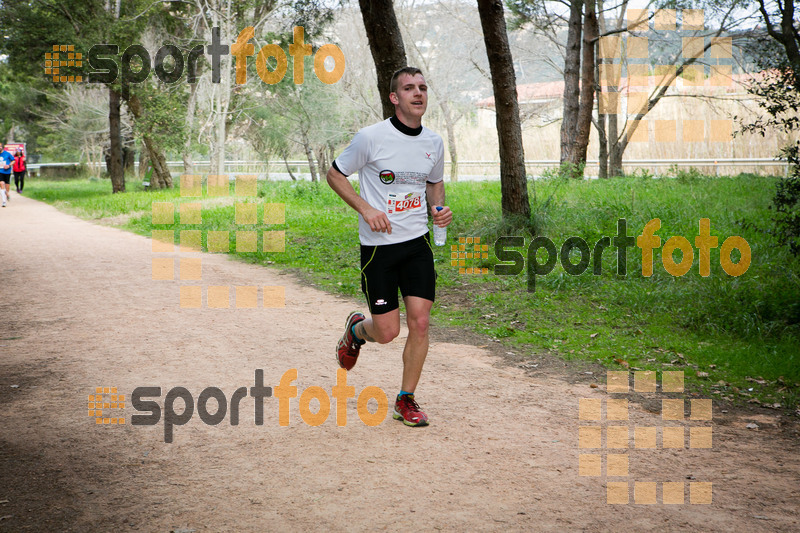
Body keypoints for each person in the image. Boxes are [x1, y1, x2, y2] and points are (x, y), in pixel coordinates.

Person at [326, 66, 453, 427]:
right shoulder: (371, 138)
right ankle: (355, 331)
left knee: (421, 322)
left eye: (423, 87)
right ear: (394, 98)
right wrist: (366, 209)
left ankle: (405, 399)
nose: (418, 93)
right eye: (410, 88)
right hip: (379, 248)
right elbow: (335, 174)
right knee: (387, 332)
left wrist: (439, 212)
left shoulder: (434, 142)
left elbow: (435, 185)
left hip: (416, 244)